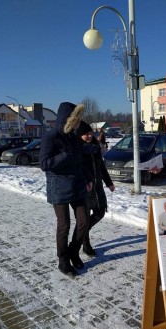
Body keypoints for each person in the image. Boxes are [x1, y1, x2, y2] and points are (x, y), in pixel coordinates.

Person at [40, 102, 93, 277]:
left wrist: (87, 179)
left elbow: (80, 161)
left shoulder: (74, 137)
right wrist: (64, 155)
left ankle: (74, 251)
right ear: (67, 119)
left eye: (79, 120)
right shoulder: (51, 136)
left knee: (84, 221)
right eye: (76, 120)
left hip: (77, 184)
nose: (78, 124)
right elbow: (44, 164)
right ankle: (63, 261)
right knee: (64, 225)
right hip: (59, 188)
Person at [76, 121, 115, 256]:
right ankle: (86, 245)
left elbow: (101, 166)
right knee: (84, 218)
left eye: (90, 133)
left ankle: (83, 230)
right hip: (85, 188)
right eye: (85, 134)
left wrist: (109, 182)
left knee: (100, 212)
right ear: (79, 135)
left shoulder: (95, 147)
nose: (89, 136)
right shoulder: (77, 149)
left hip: (97, 187)